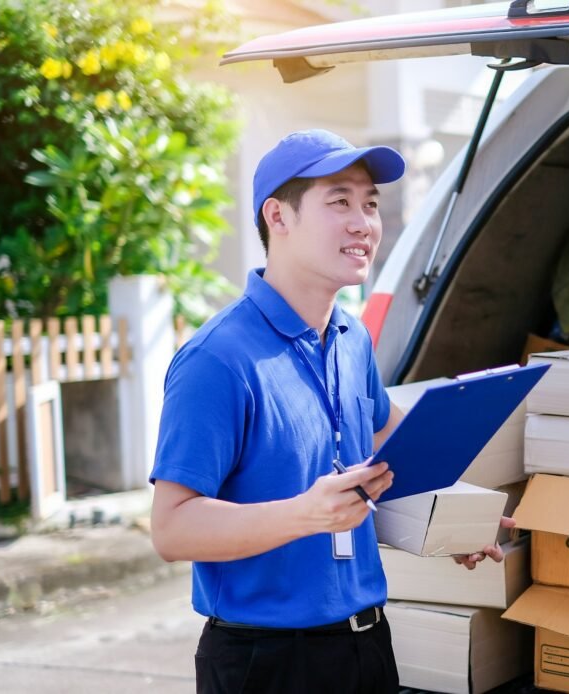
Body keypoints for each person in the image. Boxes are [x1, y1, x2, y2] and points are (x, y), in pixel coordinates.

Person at [149, 129, 510, 694]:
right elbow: (172, 528)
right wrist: (306, 514)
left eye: (370, 204)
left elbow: (388, 441)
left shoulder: (350, 337)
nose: (363, 223)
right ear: (278, 216)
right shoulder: (217, 359)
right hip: (264, 663)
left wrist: (454, 519)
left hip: (366, 644)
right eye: (339, 201)